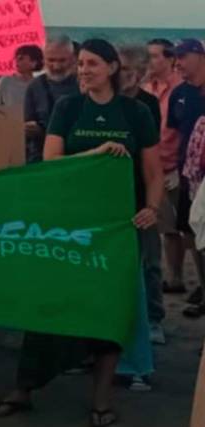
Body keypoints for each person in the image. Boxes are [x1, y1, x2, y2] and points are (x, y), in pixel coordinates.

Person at [0, 39, 162, 427]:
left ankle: (101, 397)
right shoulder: (68, 108)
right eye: (81, 64)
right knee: (49, 302)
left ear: (113, 68)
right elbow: (52, 162)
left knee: (109, 308)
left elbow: (151, 172)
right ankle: (25, 387)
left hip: (117, 228)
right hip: (68, 225)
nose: (84, 70)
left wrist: (151, 208)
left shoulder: (135, 112)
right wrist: (96, 152)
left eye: (93, 64)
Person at [119, 45, 166, 349]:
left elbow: (151, 153)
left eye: (131, 70)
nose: (126, 76)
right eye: (122, 69)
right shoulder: (103, 102)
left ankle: (154, 319)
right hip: (111, 191)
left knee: (149, 259)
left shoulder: (147, 103)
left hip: (141, 186)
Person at [143, 39, 189, 303]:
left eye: (155, 56)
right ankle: (170, 276)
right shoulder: (147, 88)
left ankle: (178, 277)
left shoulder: (182, 89)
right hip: (153, 165)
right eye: (148, 56)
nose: (150, 61)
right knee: (162, 226)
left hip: (175, 165)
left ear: (170, 59)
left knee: (180, 228)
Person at [168, 39, 205, 318]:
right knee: (189, 230)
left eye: (182, 56)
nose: (177, 62)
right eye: (175, 57)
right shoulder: (180, 93)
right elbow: (176, 135)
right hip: (187, 173)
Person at [23, 35, 81, 163]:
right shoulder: (35, 86)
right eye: (51, 60)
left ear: (73, 59)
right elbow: (27, 123)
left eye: (62, 60)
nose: (56, 66)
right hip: (41, 155)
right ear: (43, 60)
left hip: (76, 155)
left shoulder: (83, 84)